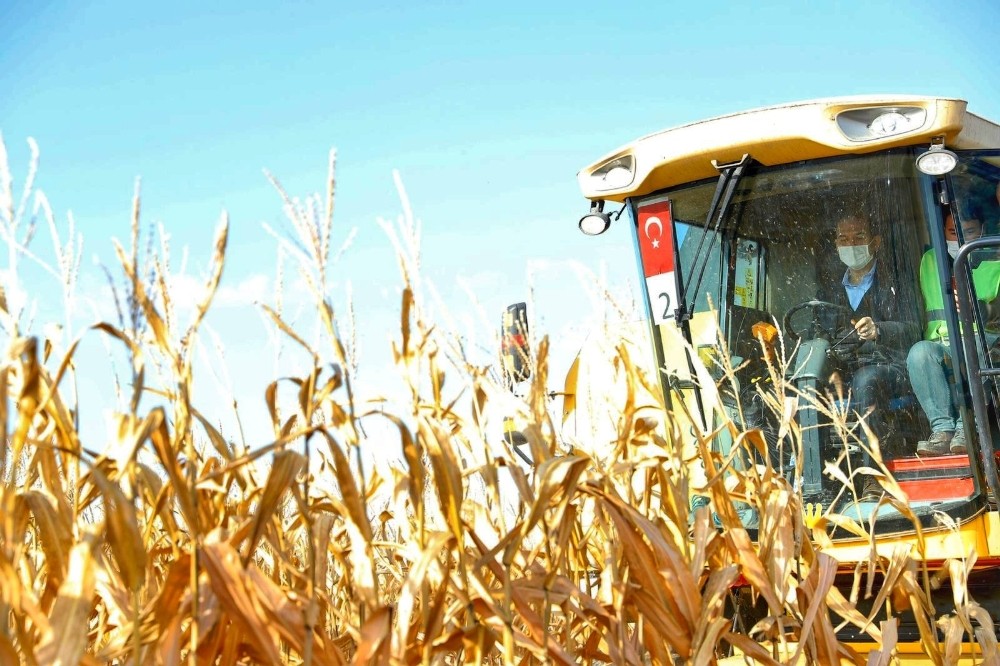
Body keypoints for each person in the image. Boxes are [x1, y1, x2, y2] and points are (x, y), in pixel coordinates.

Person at [821, 214, 920, 499]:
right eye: (843, 239)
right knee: (804, 383)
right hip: (844, 368)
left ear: (875, 242)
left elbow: (915, 329)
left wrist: (880, 330)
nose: (850, 245)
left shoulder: (898, 279)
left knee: (866, 381)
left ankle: (874, 477)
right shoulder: (829, 288)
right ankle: (812, 480)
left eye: (859, 238)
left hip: (892, 366)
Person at [907, 208, 1000, 455]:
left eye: (968, 232)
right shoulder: (929, 260)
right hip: (941, 341)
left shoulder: (996, 259)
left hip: (984, 337)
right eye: (952, 232)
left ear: (982, 230)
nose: (959, 239)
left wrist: (978, 308)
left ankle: (968, 427)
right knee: (919, 353)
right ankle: (943, 430)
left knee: (979, 348)